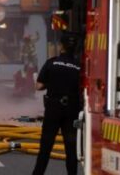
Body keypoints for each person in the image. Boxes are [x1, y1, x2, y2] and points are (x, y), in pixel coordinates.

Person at [32, 34, 81, 175]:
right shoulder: (79, 66)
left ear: (61, 46)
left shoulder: (51, 62)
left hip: (53, 108)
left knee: (45, 147)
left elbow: (39, 86)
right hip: (72, 110)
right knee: (71, 149)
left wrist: (52, 83)